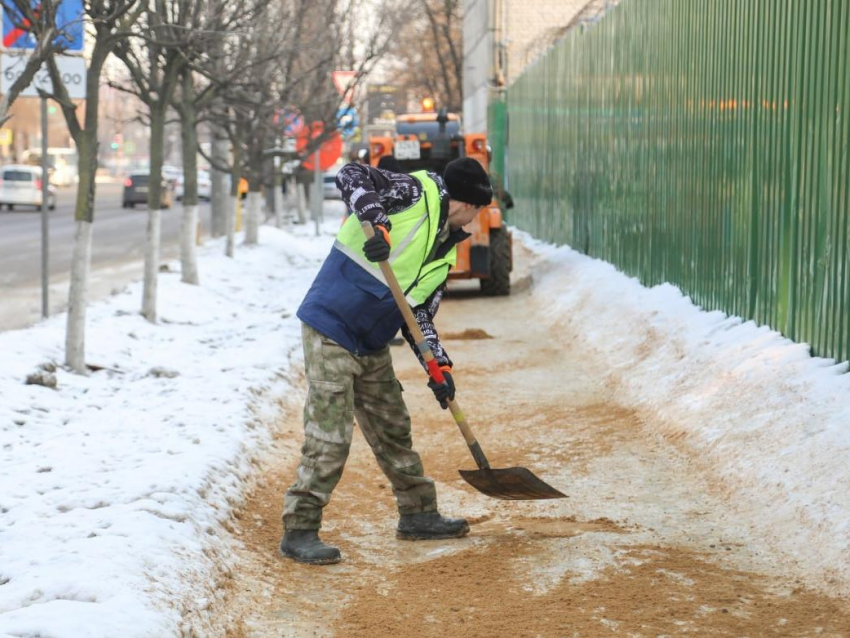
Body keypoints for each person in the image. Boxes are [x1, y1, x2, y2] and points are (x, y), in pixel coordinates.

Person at [280, 157, 493, 565]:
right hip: (332, 327)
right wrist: (377, 223)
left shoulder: (444, 253)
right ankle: (300, 528)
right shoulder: (415, 192)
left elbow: (419, 319)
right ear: (468, 204)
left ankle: (418, 514)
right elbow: (350, 174)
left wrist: (439, 368)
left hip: (370, 341)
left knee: (393, 427)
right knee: (330, 435)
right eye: (479, 211)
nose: (477, 220)